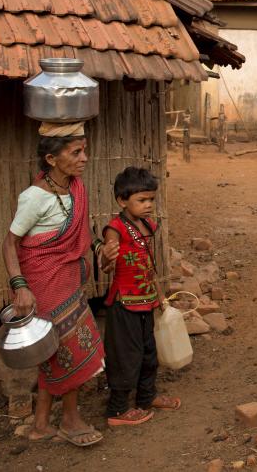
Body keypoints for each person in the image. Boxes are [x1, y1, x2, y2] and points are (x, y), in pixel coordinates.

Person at [1, 126, 104, 447]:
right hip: (43, 284)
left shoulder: (75, 188)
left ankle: (41, 424)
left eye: (84, 150)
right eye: (75, 152)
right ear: (51, 159)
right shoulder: (34, 197)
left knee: (52, 351)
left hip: (68, 280)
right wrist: (20, 287)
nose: (84, 158)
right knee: (67, 350)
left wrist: (102, 249)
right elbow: (9, 244)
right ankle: (70, 420)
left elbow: (83, 233)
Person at [99, 167, 181, 426]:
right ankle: (117, 411)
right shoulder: (115, 229)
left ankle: (147, 397)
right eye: (141, 200)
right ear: (122, 201)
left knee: (148, 352)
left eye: (151, 200)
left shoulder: (145, 224)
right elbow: (106, 264)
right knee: (126, 356)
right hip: (124, 304)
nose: (148, 206)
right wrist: (107, 258)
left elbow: (147, 261)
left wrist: (159, 299)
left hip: (146, 300)